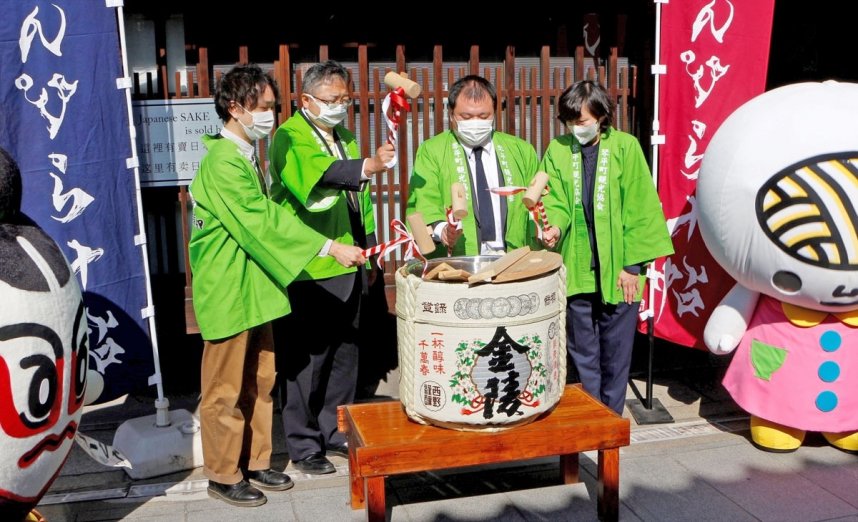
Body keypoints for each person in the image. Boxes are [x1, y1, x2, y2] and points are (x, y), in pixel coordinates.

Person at [189, 64, 362, 507]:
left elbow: (271, 220)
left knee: (261, 378)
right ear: (235, 107)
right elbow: (262, 222)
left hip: (256, 286)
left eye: (271, 105)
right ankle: (224, 473)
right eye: (262, 107)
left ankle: (257, 459)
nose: (269, 114)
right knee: (225, 388)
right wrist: (326, 247)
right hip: (229, 288)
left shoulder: (247, 155)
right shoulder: (223, 161)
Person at [269, 60, 394, 474]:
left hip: (352, 258)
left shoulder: (344, 135)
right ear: (306, 100)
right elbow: (318, 176)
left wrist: (372, 250)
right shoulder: (289, 137)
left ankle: (336, 430)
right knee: (306, 361)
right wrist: (369, 166)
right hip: (311, 265)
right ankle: (304, 445)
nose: (340, 106)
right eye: (331, 100)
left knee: (346, 355)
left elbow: (361, 202)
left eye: (345, 99)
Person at [539, 80, 673, 415]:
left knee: (616, 348)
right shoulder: (558, 149)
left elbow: (641, 207)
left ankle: (611, 418)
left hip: (620, 266)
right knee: (582, 349)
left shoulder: (626, 148)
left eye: (582, 121)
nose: (576, 128)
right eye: (570, 122)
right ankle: (591, 415)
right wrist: (553, 226)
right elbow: (552, 198)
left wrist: (633, 267)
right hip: (577, 261)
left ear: (601, 116)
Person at [406, 75, 538, 256]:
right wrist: (443, 230)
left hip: (512, 257)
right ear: (451, 114)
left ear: (495, 113)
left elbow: (543, 199)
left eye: (483, 116)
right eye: (466, 116)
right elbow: (424, 199)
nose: (475, 122)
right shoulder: (432, 150)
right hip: (459, 259)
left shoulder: (521, 150)